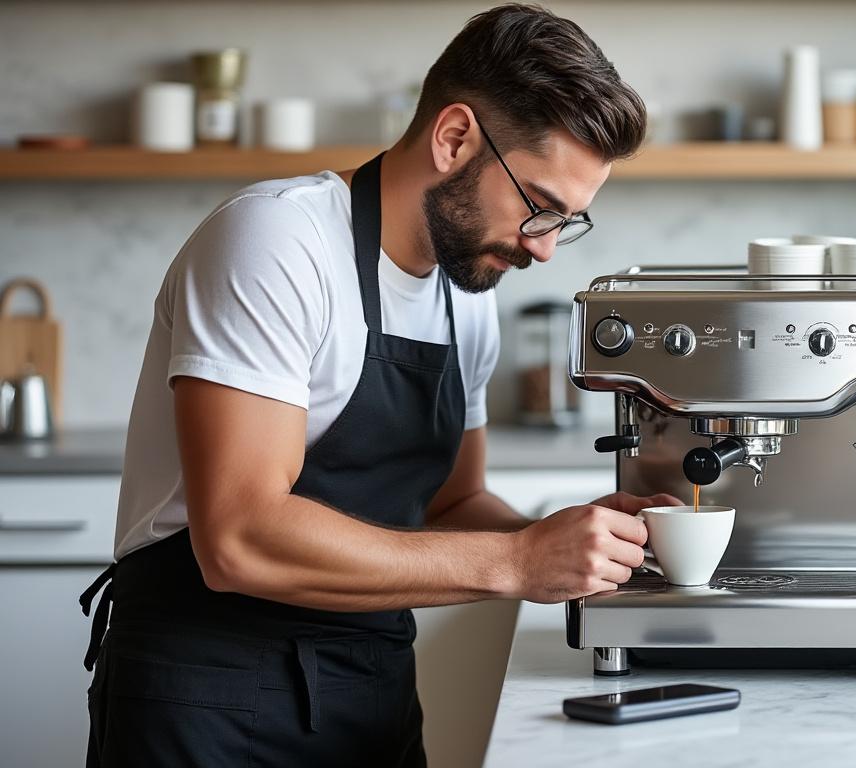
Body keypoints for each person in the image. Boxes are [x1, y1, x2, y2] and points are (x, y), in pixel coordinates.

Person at [80, 5, 673, 766]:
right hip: (208, 692)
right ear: (454, 138)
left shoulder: (467, 298)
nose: (547, 249)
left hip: (373, 688)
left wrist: (578, 543)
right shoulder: (277, 241)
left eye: (568, 223)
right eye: (538, 208)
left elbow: (450, 504)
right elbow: (237, 538)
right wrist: (517, 564)